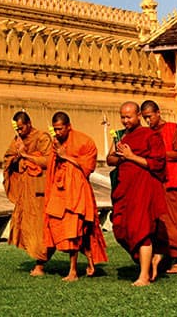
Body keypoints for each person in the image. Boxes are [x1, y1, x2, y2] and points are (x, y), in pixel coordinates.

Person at [37, 111, 107, 280]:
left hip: (77, 193)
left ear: (69, 126)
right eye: (55, 129)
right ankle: (89, 261)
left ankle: (73, 271)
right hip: (60, 191)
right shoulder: (56, 143)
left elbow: (87, 168)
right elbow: (51, 164)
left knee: (75, 230)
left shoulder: (84, 142)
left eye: (60, 129)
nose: (58, 132)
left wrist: (65, 156)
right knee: (58, 226)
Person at [106, 101, 170, 286]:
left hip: (143, 188)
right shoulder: (120, 136)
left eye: (129, 117)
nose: (125, 120)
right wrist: (121, 156)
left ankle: (143, 276)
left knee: (141, 229)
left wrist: (132, 156)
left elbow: (158, 164)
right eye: (122, 117)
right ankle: (152, 259)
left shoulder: (150, 136)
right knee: (120, 228)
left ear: (139, 116)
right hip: (124, 188)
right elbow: (110, 159)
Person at [3, 111, 55, 275]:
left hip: (41, 190)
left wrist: (26, 154)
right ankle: (39, 261)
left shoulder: (42, 138)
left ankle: (40, 263)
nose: (19, 132)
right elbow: (8, 159)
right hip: (26, 191)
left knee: (41, 227)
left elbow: (48, 161)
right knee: (28, 226)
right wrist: (17, 157)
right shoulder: (17, 140)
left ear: (29, 123)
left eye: (21, 128)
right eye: (17, 129)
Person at [142, 99, 177, 275]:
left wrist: (160, 155)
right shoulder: (146, 133)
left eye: (150, 117)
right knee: (157, 221)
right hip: (155, 183)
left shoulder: (173, 128)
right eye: (145, 118)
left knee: (176, 221)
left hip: (172, 182)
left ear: (157, 113)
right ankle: (160, 256)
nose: (148, 121)